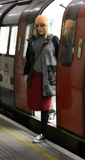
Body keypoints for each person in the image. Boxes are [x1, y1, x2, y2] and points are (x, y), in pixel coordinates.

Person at [23, 15, 59, 143]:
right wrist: (26, 74)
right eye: (37, 26)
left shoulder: (53, 40)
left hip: (48, 76)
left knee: (45, 105)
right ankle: (51, 112)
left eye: (42, 25)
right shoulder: (32, 40)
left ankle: (43, 133)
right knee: (32, 101)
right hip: (35, 75)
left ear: (47, 26)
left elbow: (59, 58)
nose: (40, 28)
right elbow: (29, 59)